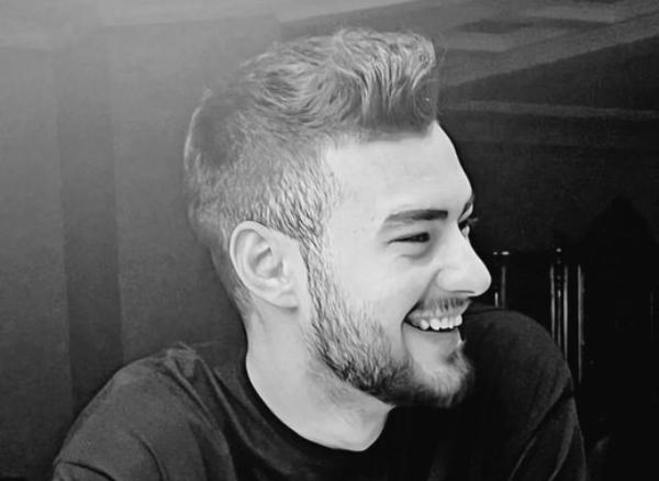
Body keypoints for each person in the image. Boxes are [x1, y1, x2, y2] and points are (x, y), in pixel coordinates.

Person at [52, 28, 587, 480]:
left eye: (463, 224)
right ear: (268, 266)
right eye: (416, 237)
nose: (476, 275)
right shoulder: (149, 450)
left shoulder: (509, 377)